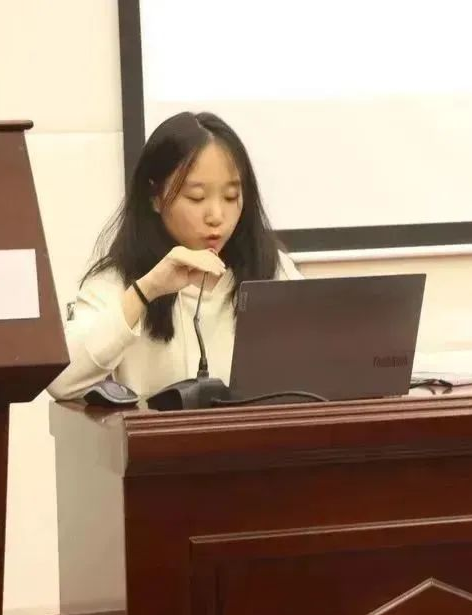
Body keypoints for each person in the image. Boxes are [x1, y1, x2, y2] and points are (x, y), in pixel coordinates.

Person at [47, 111, 301, 400]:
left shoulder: (271, 269)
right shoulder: (117, 282)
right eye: (196, 197)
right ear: (155, 197)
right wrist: (146, 290)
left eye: (231, 197)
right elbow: (60, 381)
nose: (216, 216)